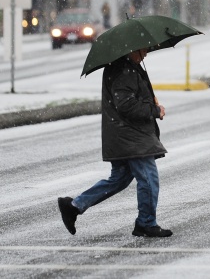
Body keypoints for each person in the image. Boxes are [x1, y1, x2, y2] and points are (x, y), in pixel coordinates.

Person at [58, 47, 172, 237]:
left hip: (123, 136)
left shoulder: (126, 67)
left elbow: (130, 100)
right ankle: (146, 223)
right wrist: (153, 110)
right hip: (131, 137)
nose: (146, 53)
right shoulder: (122, 70)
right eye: (143, 50)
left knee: (119, 179)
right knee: (149, 179)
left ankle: (74, 206)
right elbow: (126, 105)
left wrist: (151, 103)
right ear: (132, 49)